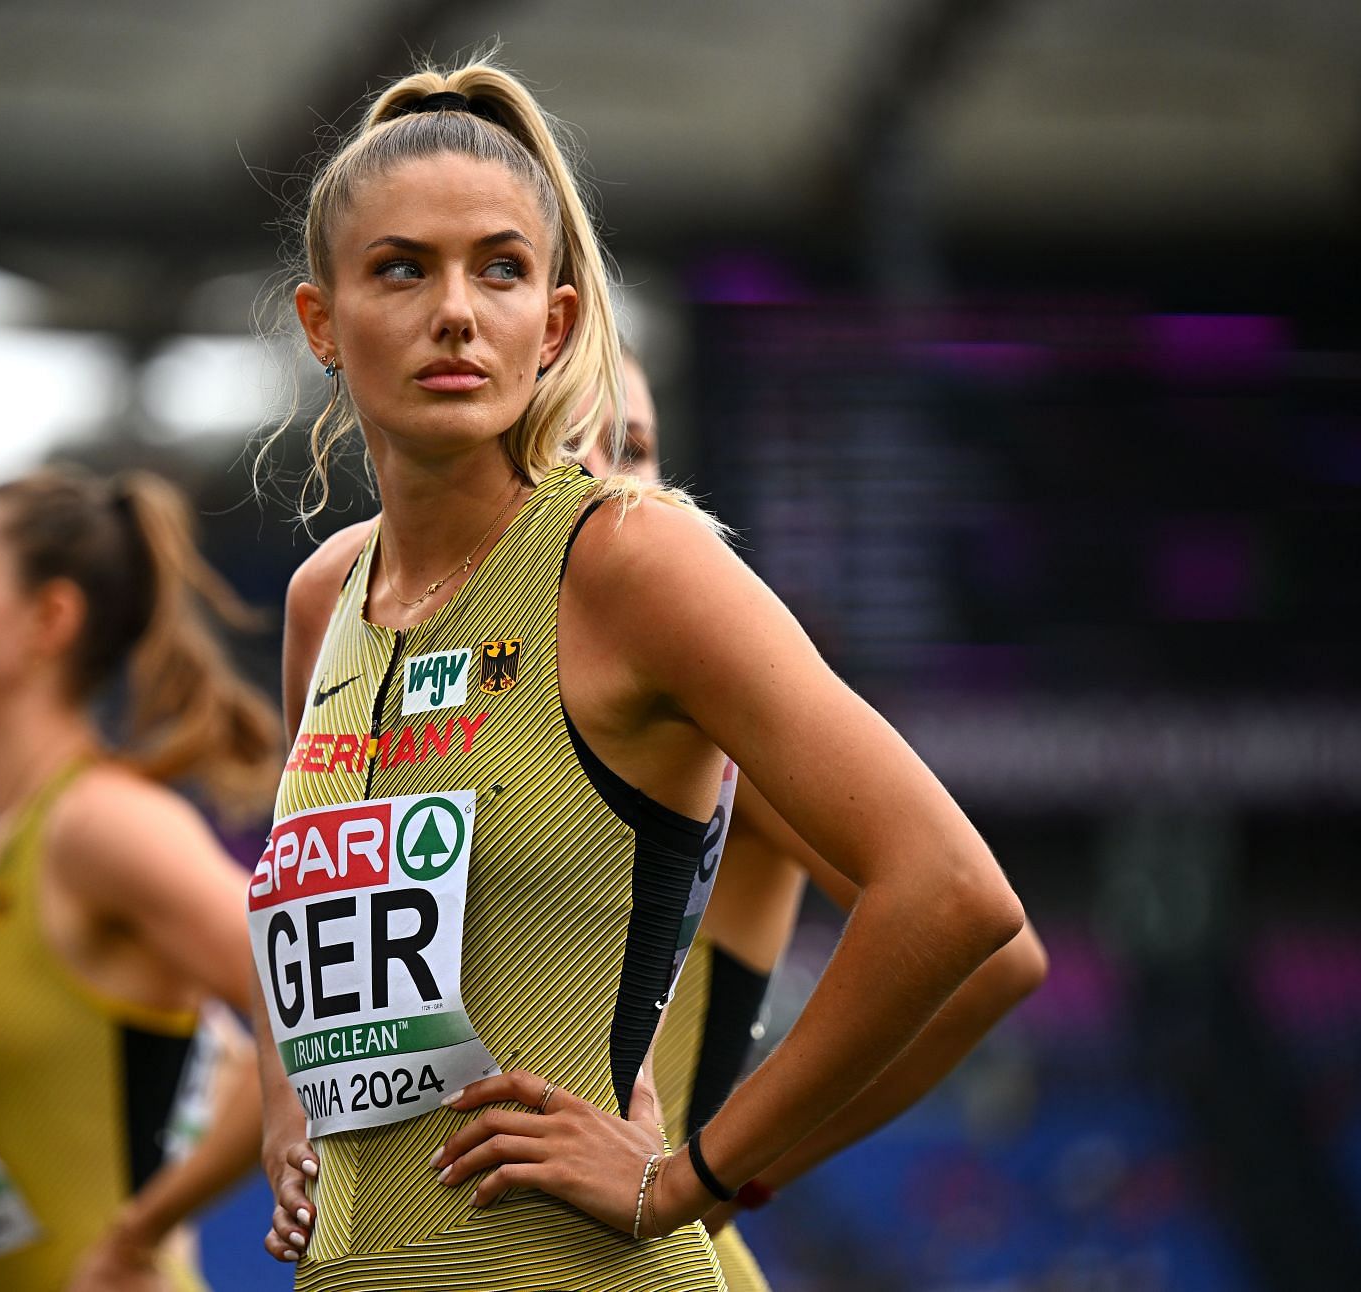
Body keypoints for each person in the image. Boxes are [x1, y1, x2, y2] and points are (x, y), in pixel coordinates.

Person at [253, 57, 1026, 1291]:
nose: (456, 310)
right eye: (402, 267)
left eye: (499, 268)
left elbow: (954, 894)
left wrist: (695, 1176)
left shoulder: (627, 560)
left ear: (551, 323)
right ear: (322, 322)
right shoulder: (321, 602)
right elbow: (330, 957)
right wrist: (291, 1110)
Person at [581, 352, 1051, 1291]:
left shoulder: (694, 725)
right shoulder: (461, 699)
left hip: (647, 1259)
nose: (606, 483)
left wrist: (725, 1177)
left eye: (633, 450)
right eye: (566, 448)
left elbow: (995, 954)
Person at [0, 465, 281, 1290]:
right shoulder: (11, 847)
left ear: (50, 618)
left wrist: (142, 1233)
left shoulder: (100, 825)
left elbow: (311, 1004)